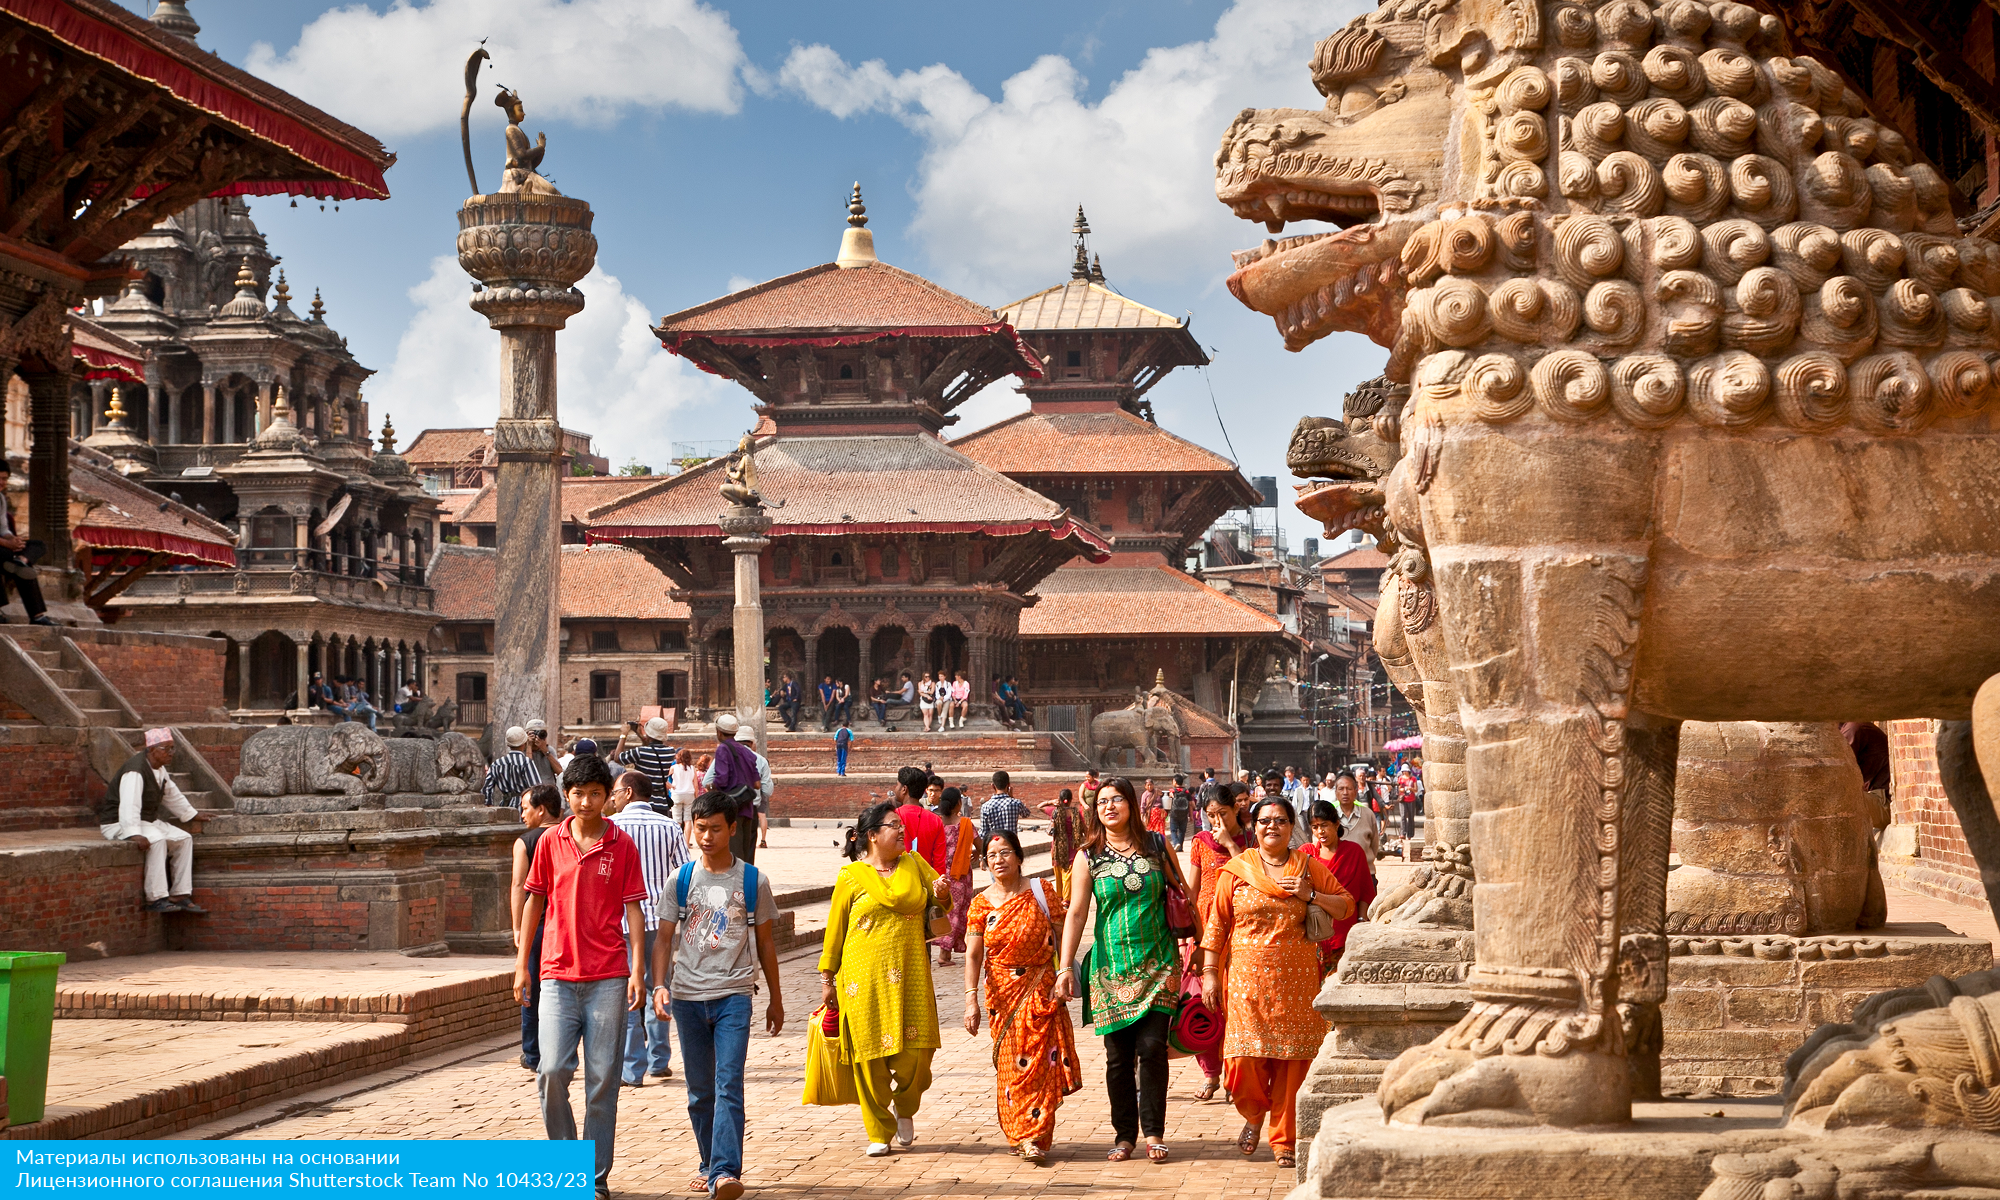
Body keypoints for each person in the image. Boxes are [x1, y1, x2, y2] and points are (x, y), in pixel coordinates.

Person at [516, 754, 648, 1200]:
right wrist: (521, 964)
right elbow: (534, 901)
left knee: (602, 1081)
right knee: (551, 1070)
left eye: (596, 793)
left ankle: (592, 1178)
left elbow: (634, 909)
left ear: (608, 797)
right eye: (578, 794)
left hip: (609, 975)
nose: (587, 802)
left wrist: (638, 971)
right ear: (566, 796)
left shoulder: (622, 844)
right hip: (555, 972)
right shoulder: (550, 842)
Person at [1201, 795, 1352, 1170]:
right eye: (1265, 820)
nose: (1273, 826)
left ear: (1290, 826)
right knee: (1242, 1060)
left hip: (1297, 980)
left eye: (1281, 820)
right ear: (1254, 826)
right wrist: (1208, 974)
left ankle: (1284, 1139)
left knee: (1293, 1062)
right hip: (1245, 982)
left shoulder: (1306, 866)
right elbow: (1217, 924)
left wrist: (1310, 894)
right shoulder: (1237, 870)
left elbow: (1346, 904)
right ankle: (1253, 1114)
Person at [1054, 777, 1194, 1163]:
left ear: (1132, 804)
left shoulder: (1157, 845)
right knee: (1118, 1057)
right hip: (1109, 968)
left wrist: (1196, 948)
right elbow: (1078, 912)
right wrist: (1066, 966)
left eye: (1116, 799)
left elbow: (1182, 893)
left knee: (1151, 1049)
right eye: (1102, 803)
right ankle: (1124, 1135)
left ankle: (1153, 1132)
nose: (1109, 807)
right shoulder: (1088, 856)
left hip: (1159, 961)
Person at [653, 788, 784, 1200]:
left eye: (714, 829)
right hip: (688, 997)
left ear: (733, 828)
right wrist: (659, 985)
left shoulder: (751, 880)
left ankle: (725, 1171)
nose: (706, 836)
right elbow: (663, 939)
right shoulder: (682, 879)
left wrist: (776, 998)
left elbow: (765, 944)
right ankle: (709, 1162)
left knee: (729, 1081)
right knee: (700, 1090)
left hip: (734, 995)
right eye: (699, 827)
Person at [818, 801, 945, 1156]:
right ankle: (878, 1130)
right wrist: (828, 978)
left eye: (901, 825)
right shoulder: (850, 877)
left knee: (917, 1058)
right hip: (862, 981)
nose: (901, 830)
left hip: (912, 977)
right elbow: (835, 930)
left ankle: (904, 1108)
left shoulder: (915, 864)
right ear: (872, 835)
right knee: (869, 1057)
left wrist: (945, 891)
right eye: (893, 825)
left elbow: (940, 903)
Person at [964, 829, 1081, 1164]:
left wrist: (1063, 973)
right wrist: (970, 999)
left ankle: (1036, 1137)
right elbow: (973, 955)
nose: (998, 861)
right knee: (1012, 1067)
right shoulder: (981, 904)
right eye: (991, 856)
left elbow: (1062, 937)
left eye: (1004, 854)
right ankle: (1020, 1132)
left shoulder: (1042, 892)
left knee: (1043, 1064)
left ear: (1018, 856)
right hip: (1003, 997)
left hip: (1043, 992)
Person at [609, 769, 691, 1087]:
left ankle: (632, 1067)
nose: (613, 797)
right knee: (659, 984)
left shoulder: (612, 829)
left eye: (616, 792)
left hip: (620, 921)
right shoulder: (669, 826)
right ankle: (659, 1059)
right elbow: (683, 874)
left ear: (628, 793)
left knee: (628, 989)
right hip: (660, 921)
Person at [98, 726, 210, 913]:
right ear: (152, 750)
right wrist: (133, 833)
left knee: (183, 839)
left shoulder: (159, 769)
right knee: (156, 840)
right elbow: (129, 805)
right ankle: (155, 898)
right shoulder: (135, 771)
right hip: (118, 823)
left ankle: (180, 893)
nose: (171, 753)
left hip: (146, 821)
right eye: (166, 749)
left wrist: (191, 814)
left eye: (172, 748)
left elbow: (171, 794)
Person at [1185, 784, 1247, 1101]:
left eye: (1222, 814)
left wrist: (1230, 845)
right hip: (1208, 930)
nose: (1216, 822)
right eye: (1210, 816)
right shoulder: (1199, 842)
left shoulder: (1250, 840)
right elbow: (1192, 891)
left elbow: (1253, 875)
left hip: (1242, 930)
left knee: (1236, 1003)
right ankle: (1211, 1072)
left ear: (1235, 809)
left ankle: (1236, 1077)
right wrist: (1192, 938)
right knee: (1207, 1003)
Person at [511, 783, 563, 1071]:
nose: (522, 815)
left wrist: (518, 926)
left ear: (541, 809)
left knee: (531, 990)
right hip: (565, 924)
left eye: (525, 808)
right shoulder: (571, 835)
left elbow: (519, 885)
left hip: (538, 925)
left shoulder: (526, 841)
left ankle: (533, 1054)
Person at [1305, 800, 1375, 978]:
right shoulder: (1306, 855)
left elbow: (1366, 891)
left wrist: (1361, 923)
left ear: (1336, 824)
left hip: (1346, 935)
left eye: (1324, 825)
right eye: (1315, 827)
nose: (1320, 831)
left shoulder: (1353, 852)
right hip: (1313, 937)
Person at [701, 714, 773, 864]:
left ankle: (734, 887)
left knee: (733, 856)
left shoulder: (723, 749)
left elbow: (721, 779)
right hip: (749, 808)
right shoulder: (748, 753)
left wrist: (712, 787)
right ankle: (746, 885)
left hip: (732, 810)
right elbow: (757, 784)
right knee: (747, 856)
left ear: (719, 732)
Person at [0, 460, 55, 625]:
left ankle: (21, 561)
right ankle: (37, 615)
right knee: (7, 559)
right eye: (0, 478)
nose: (2, 482)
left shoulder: (1, 499)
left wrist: (13, 540)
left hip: (3, 547)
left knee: (37, 545)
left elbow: (3, 527)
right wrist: (6, 544)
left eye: (5, 479)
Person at [930, 788, 977, 967]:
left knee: (945, 913)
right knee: (955, 914)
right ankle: (944, 953)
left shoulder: (936, 823)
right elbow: (980, 844)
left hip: (940, 874)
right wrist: (975, 853)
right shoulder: (965, 824)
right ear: (959, 803)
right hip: (959, 876)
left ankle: (945, 949)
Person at [892, 766, 948, 875]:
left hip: (897, 880)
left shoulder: (892, 817)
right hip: (926, 881)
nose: (895, 788)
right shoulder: (935, 820)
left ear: (904, 789)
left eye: (897, 785)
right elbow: (939, 863)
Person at [1038, 787, 1087, 902]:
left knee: (1058, 872)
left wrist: (1050, 802)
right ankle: (1066, 899)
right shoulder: (1076, 813)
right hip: (1072, 847)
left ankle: (1059, 896)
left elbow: (1039, 807)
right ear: (1070, 800)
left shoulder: (1054, 812)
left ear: (1060, 799)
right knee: (1068, 874)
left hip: (1057, 847)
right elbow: (1085, 829)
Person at [613, 717, 678, 798]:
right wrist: (640, 736)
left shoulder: (640, 752)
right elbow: (651, 749)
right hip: (661, 802)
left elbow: (617, 758)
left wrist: (623, 734)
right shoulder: (670, 752)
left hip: (642, 800)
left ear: (648, 734)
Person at [1332, 771, 1380, 870]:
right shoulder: (1330, 816)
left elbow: (1374, 845)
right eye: (1341, 789)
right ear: (1336, 792)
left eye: (1349, 789)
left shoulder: (1368, 814)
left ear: (1355, 791)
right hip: (1338, 872)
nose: (1345, 793)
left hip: (1365, 871)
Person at [485, 726, 542, 807]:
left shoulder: (496, 764)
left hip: (504, 807)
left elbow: (486, 789)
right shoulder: (526, 762)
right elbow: (537, 788)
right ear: (524, 743)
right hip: (524, 807)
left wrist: (489, 805)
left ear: (508, 744)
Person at [979, 770, 1026, 845]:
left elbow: (984, 832)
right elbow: (1026, 814)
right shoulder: (1016, 803)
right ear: (1008, 785)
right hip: (1012, 845)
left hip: (994, 845)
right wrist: (1012, 797)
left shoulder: (986, 806)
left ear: (993, 786)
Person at [670, 751, 704, 831]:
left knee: (677, 820)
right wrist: (696, 796)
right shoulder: (692, 768)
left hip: (677, 794)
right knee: (688, 819)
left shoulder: (674, 767)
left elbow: (665, 779)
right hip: (689, 794)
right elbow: (696, 785)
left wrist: (671, 786)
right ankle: (687, 842)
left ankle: (677, 840)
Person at [1166, 775, 1192, 850]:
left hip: (1174, 814)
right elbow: (1190, 804)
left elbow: (1167, 803)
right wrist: (1191, 816)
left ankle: (1176, 843)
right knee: (1182, 831)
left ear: (1175, 782)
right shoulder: (1187, 792)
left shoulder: (1172, 792)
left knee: (1173, 830)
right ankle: (1180, 847)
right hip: (1184, 814)